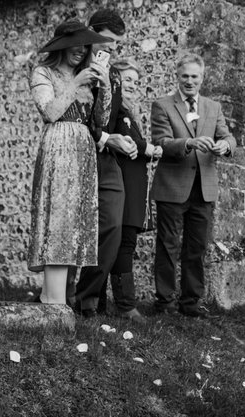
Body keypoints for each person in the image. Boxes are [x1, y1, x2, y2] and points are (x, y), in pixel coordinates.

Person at [27, 20, 112, 304]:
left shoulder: (86, 77)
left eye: (85, 45)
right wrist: (75, 84)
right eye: (76, 44)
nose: (81, 50)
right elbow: (50, 111)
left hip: (83, 151)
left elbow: (99, 122)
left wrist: (105, 86)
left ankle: (53, 297)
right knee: (58, 219)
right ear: (62, 45)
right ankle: (53, 300)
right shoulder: (44, 72)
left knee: (76, 221)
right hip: (58, 147)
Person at [150, 53, 236, 318]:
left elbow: (229, 137)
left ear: (202, 78)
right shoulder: (162, 105)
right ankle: (165, 302)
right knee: (168, 245)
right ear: (177, 76)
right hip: (172, 187)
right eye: (185, 76)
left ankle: (191, 303)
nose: (189, 81)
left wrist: (225, 146)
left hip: (204, 188)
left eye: (194, 76)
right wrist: (188, 143)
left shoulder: (213, 107)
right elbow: (161, 142)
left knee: (196, 248)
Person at [73, 8, 137, 317]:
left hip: (108, 158)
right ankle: (85, 302)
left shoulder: (113, 74)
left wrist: (124, 137)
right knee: (80, 227)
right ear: (90, 31)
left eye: (116, 43)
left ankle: (86, 295)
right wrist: (104, 138)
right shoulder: (73, 66)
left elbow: (119, 114)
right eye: (107, 40)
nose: (111, 48)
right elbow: (75, 117)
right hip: (79, 153)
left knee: (112, 224)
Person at [99, 59, 162, 323]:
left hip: (133, 185)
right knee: (122, 244)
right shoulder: (113, 109)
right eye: (128, 80)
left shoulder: (128, 113)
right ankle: (125, 305)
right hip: (120, 183)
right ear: (116, 82)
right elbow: (109, 135)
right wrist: (146, 146)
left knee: (125, 243)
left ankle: (105, 303)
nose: (133, 85)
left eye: (136, 81)